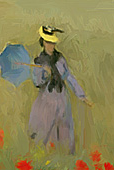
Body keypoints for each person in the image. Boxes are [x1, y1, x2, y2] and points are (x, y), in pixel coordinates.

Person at [28, 26, 93, 154]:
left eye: (53, 42)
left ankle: (65, 157)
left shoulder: (60, 59)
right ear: (43, 43)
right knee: (47, 130)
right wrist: (45, 74)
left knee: (65, 129)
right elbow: (37, 82)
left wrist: (81, 95)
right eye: (48, 42)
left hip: (62, 98)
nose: (51, 45)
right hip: (47, 100)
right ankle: (47, 157)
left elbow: (68, 77)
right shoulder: (39, 61)